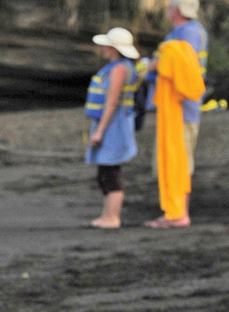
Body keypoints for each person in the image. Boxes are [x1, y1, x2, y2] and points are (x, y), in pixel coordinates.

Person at [147, 0, 209, 228]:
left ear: (175, 10)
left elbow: (182, 65)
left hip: (181, 109)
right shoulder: (184, 32)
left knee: (178, 160)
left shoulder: (189, 32)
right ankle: (175, 211)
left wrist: (152, 66)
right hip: (175, 108)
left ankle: (178, 214)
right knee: (173, 159)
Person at [85, 28, 140, 229]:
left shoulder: (119, 69)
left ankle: (112, 217)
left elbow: (112, 102)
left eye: (106, 45)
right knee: (106, 170)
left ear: (114, 48)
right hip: (115, 123)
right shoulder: (122, 66)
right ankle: (107, 214)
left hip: (114, 125)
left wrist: (99, 131)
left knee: (111, 170)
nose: (103, 48)